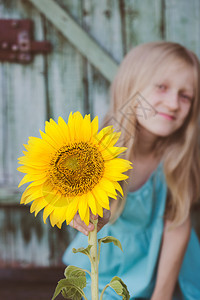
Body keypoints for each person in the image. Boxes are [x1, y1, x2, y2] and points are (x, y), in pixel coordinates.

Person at [62, 41, 200, 300]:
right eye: (161, 87)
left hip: (170, 262)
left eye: (185, 96)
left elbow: (177, 225)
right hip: (113, 260)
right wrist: (86, 216)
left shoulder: (178, 156)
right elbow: (89, 210)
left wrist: (162, 295)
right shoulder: (97, 151)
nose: (172, 103)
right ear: (131, 86)